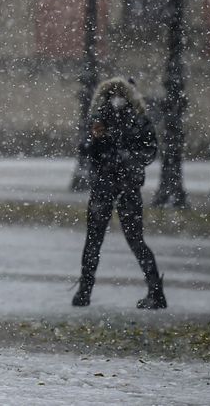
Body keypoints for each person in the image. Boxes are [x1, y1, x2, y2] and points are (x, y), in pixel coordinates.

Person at [72, 76, 166, 309]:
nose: (115, 100)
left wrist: (118, 150)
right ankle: (86, 291)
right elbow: (87, 150)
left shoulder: (135, 120)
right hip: (115, 185)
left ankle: (86, 291)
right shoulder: (107, 118)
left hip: (119, 185)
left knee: (106, 241)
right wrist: (97, 140)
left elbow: (147, 152)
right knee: (109, 240)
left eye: (119, 95)